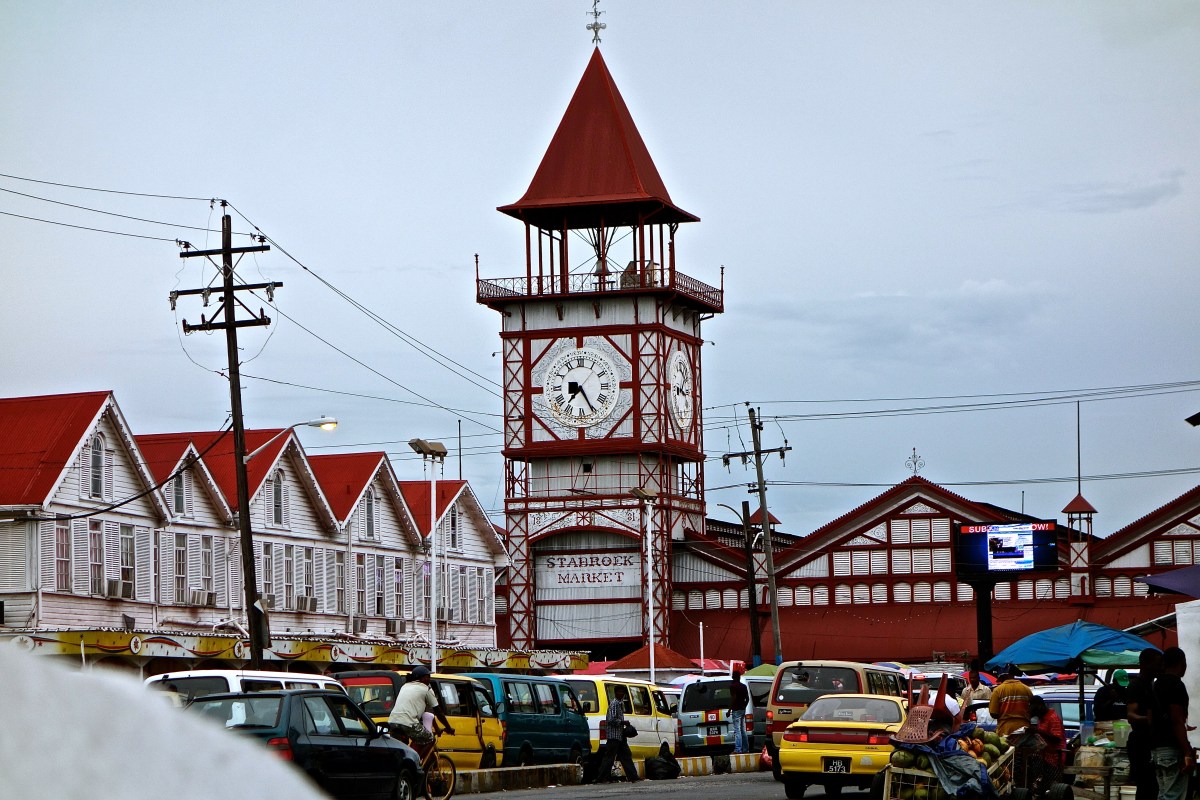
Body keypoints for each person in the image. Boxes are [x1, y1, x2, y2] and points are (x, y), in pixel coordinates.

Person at [1151, 646, 1194, 800]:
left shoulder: (1156, 684)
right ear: (1182, 663)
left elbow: (1152, 717)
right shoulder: (1176, 685)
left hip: (1157, 748)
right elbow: (1176, 720)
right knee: (1172, 796)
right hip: (1171, 749)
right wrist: (1187, 752)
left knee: (1164, 794)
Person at [386, 666, 455, 752]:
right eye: (428, 676)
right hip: (408, 723)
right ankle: (416, 762)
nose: (429, 679)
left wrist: (437, 728)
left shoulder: (405, 686)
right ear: (422, 678)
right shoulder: (426, 689)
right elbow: (438, 712)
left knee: (401, 748)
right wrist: (449, 728)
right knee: (430, 739)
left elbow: (425, 713)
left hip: (392, 722)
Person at [1126, 648, 1164, 800]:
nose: (1161, 667)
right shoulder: (1136, 685)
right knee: (1146, 787)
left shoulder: (1153, 685)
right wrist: (1148, 719)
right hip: (1140, 745)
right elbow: (1130, 715)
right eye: (1158, 664)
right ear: (1146, 664)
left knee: (1154, 787)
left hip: (1152, 743)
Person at [592, 685, 640, 783]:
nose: (621, 694)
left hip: (620, 736)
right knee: (609, 758)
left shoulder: (619, 703)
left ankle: (633, 776)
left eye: (622, 692)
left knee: (626, 756)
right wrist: (623, 722)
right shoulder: (614, 704)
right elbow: (611, 719)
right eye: (619, 692)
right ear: (615, 693)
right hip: (614, 736)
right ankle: (601, 778)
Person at [989, 664, 1033, 736]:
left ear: (1004, 676)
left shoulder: (998, 690)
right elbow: (1032, 709)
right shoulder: (1026, 689)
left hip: (1005, 730)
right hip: (1024, 729)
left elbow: (993, 713)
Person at [1029, 695, 1065, 771]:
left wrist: (1037, 731)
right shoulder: (1042, 718)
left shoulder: (1052, 718)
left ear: (1040, 707)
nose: (1036, 716)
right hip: (1044, 757)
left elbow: (1056, 739)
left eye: (1036, 712)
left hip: (1054, 759)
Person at [729, 669, 751, 754]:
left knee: (737, 730)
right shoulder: (743, 686)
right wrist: (744, 706)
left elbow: (733, 698)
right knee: (742, 729)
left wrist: (729, 710)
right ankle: (746, 749)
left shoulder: (732, 686)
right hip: (742, 709)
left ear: (733, 677)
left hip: (736, 710)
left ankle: (738, 749)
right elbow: (747, 698)